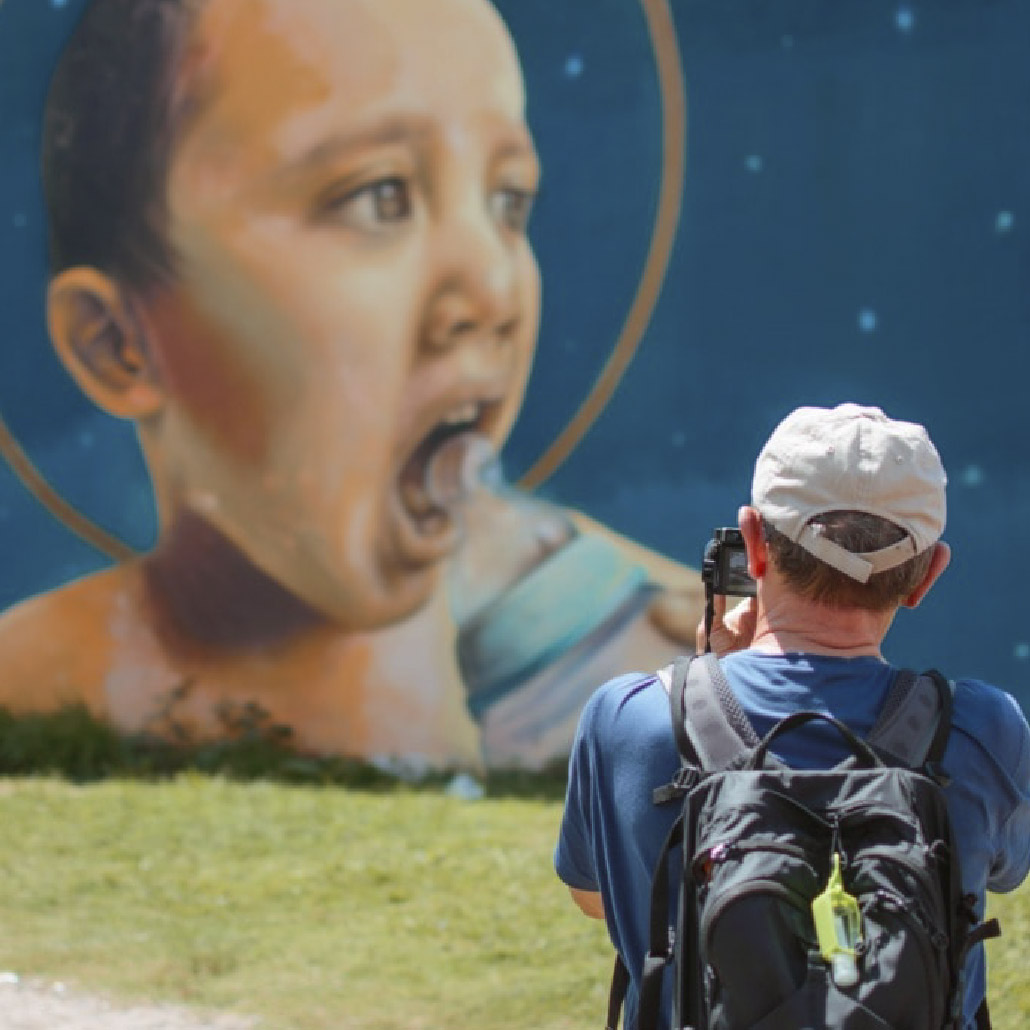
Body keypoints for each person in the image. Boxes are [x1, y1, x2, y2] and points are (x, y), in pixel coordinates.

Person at [0, 0, 704, 771]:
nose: (494, 292)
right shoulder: (28, 685)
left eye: (510, 201)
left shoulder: (683, 645)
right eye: (380, 196)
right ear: (119, 343)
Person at [555, 403, 1030, 1028]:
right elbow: (1001, 876)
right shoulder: (982, 726)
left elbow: (596, 900)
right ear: (927, 576)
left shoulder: (629, 720)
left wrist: (699, 684)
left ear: (752, 543)